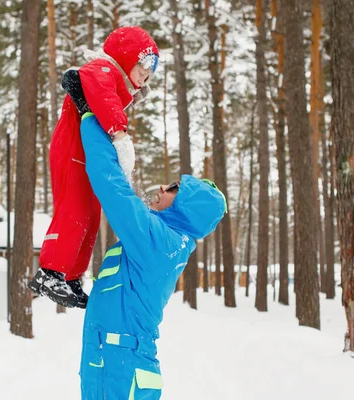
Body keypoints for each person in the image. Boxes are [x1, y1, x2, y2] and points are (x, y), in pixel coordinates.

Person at [77, 113, 226, 398]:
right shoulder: (163, 238)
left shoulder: (160, 241)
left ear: (187, 207)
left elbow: (112, 188)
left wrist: (93, 118)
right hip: (113, 365)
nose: (162, 188)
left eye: (172, 189)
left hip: (122, 372)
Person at [27, 26, 159, 309]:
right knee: (74, 209)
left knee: (90, 215)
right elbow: (101, 94)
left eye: (151, 72)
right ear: (126, 57)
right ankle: (50, 272)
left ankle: (72, 276)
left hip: (87, 156)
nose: (146, 76)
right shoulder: (103, 69)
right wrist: (120, 134)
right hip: (72, 149)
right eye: (144, 67)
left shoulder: (115, 82)